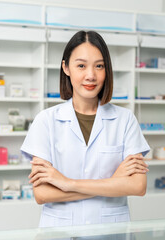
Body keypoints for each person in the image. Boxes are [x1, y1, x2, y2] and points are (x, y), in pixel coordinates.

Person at [20, 30, 150, 228]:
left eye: (99, 66)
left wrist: (67, 183)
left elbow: (138, 186)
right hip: (60, 231)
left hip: (110, 231)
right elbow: (42, 194)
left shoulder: (125, 120)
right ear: (66, 68)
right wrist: (113, 182)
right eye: (81, 65)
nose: (91, 75)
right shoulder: (46, 121)